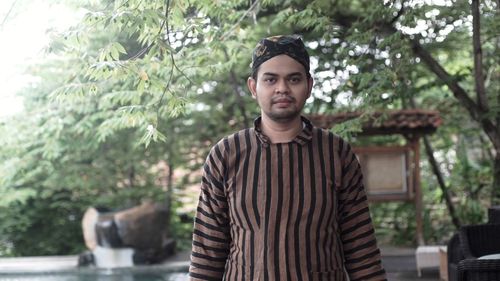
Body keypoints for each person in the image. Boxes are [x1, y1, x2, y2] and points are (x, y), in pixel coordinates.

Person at [189, 35, 387, 281]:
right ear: (253, 87)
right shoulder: (226, 154)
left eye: (294, 79)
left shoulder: (335, 153)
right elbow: (207, 251)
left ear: (309, 86)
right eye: (270, 79)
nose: (282, 88)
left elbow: (360, 245)